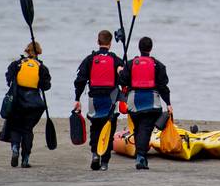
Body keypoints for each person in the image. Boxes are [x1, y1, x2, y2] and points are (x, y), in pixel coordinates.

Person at [118, 36, 171, 170]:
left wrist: (120, 72)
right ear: (151, 48)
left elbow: (123, 82)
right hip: (151, 103)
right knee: (145, 129)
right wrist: (168, 103)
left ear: (139, 48)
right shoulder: (158, 65)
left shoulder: (130, 64)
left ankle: (140, 154)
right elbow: (163, 86)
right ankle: (141, 156)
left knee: (138, 129)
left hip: (133, 103)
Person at [73, 29, 123, 171]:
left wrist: (77, 98)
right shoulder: (115, 59)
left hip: (94, 98)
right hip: (111, 99)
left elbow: (80, 80)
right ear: (110, 43)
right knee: (109, 129)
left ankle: (95, 154)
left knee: (95, 127)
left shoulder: (90, 59)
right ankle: (105, 162)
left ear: (98, 41)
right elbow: (124, 77)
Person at [4, 41, 51, 168]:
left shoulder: (16, 64)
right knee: (27, 130)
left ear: (26, 51)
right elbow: (46, 86)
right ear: (39, 52)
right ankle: (25, 159)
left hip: (17, 101)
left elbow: (9, 80)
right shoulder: (41, 67)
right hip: (35, 104)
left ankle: (15, 148)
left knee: (15, 127)